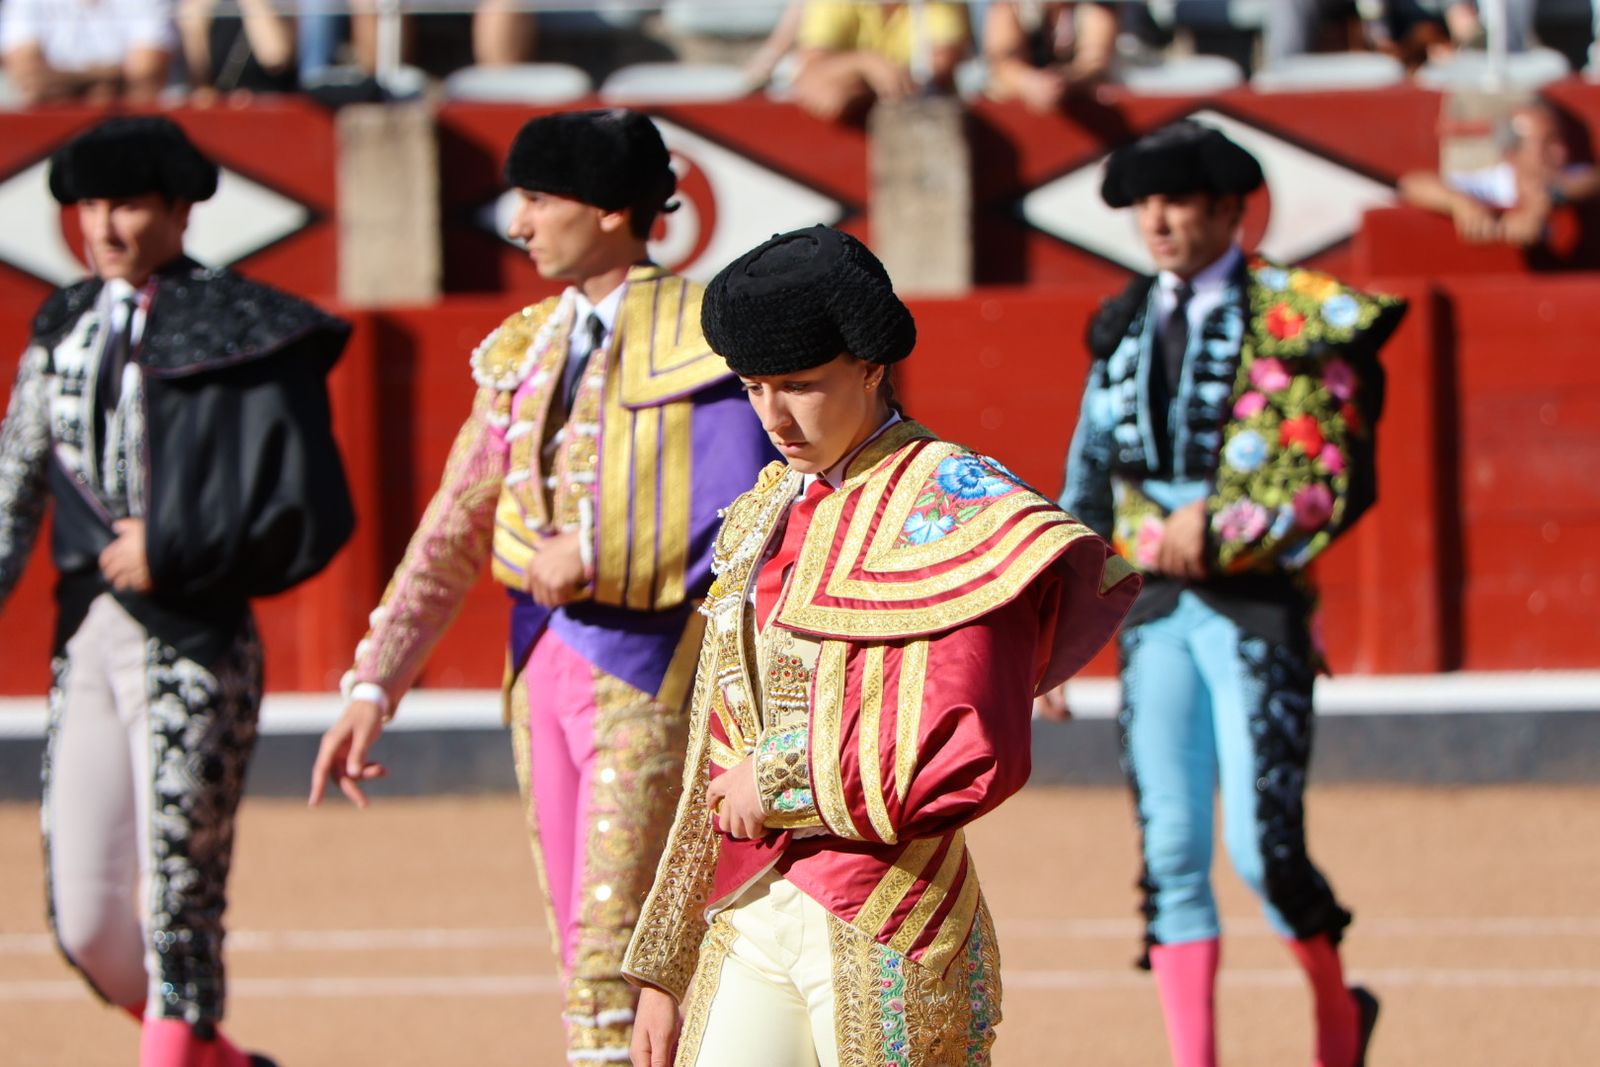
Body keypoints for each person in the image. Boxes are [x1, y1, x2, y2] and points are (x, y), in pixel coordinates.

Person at [308, 108, 776, 1064]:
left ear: (607, 208)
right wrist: (374, 682)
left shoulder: (707, 334)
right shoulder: (525, 348)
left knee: (618, 949)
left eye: (537, 198)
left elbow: (745, 499)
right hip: (541, 670)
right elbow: (455, 520)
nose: (518, 223)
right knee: (581, 944)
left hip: (654, 665)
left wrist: (601, 554)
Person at [623, 225, 1140, 1067]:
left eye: (800, 385)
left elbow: (964, 737)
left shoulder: (958, 507)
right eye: (753, 388)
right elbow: (713, 749)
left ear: (870, 367)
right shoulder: (762, 512)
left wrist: (778, 776)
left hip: (892, 913)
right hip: (748, 909)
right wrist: (664, 961)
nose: (774, 416)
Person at [0, 116, 354, 1067]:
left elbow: (305, 501)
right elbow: (14, 483)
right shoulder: (64, 325)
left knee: (177, 906)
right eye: (88, 206)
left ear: (179, 210)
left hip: (197, 638)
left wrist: (176, 549)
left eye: (126, 205)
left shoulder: (240, 325)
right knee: (82, 921)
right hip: (87, 636)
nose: (102, 226)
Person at [1053, 120, 1405, 1067]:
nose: (1156, 221)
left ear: (1227, 210)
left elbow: (1337, 474)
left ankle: (1337, 1021)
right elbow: (1087, 479)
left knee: (1263, 850)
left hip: (1259, 611)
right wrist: (1057, 623)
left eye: (1176, 202)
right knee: (1170, 850)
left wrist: (1224, 523)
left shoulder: (1301, 314)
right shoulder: (1120, 324)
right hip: (1155, 615)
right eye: (1144, 205)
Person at [1399, 99, 1600, 247]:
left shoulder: (1571, 177)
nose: (1561, 152)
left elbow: (1591, 180)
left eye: (1560, 140)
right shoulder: (1492, 183)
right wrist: (1459, 204)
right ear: (1512, 152)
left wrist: (1548, 197)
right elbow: (1411, 185)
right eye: (1547, 143)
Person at [790, 0, 970, 122]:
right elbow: (812, 71)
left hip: (924, 130)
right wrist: (867, 63)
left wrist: (860, 72)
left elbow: (939, 68)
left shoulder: (942, 5)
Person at [0, 0, 175, 104]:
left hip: (130, 129)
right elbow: (30, 80)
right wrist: (104, 83)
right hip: (46, 133)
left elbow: (145, 74)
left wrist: (61, 82)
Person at [983, 1, 1118, 112]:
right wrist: (1028, 82)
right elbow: (1001, 61)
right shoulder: (1009, 8)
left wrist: (1063, 79)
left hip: (1085, 113)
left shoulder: (1094, 10)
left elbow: (1095, 60)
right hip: (1015, 115)